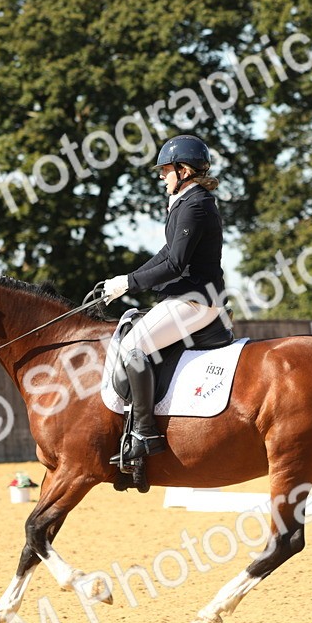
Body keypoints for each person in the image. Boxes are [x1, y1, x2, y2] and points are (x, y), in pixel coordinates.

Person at [102, 134, 227, 464]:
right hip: (188, 298)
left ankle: (144, 432)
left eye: (166, 170)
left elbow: (175, 264)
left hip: (196, 301)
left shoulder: (197, 205)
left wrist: (129, 283)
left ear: (183, 170)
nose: (162, 176)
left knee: (132, 348)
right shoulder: (186, 203)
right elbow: (165, 253)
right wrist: (125, 281)